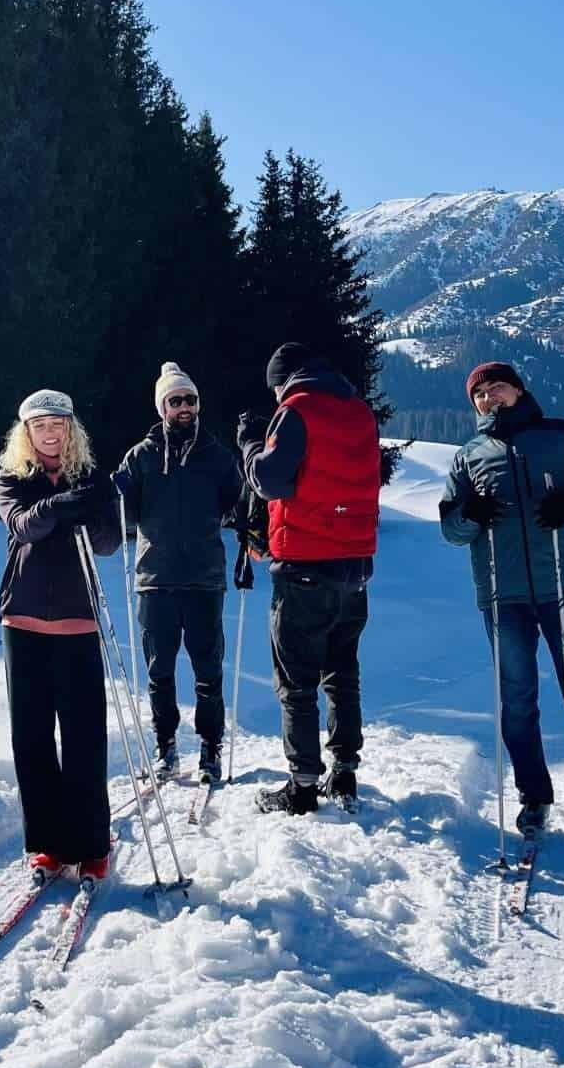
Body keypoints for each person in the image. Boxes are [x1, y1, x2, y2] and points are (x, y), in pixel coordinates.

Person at [439, 360, 564, 841]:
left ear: (519, 390)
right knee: (517, 701)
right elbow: (451, 530)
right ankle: (534, 796)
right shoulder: (468, 457)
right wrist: (470, 514)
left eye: (497, 388)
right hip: (503, 596)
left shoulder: (563, 437)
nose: (489, 398)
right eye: (480, 394)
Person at [237, 342, 381, 815]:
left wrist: (250, 444)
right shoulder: (359, 411)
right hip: (355, 564)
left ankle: (301, 786)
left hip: (305, 562)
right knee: (343, 671)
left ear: (283, 380)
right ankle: (345, 772)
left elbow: (270, 480)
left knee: (297, 680)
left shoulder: (296, 409)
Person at [0, 388, 121, 880]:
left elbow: (108, 543)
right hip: (23, 620)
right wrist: (65, 504)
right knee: (31, 737)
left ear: (71, 430)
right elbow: (23, 526)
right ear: (26, 432)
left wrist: (96, 506)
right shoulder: (12, 478)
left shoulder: (91, 478)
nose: (49, 433)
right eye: (40, 426)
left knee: (84, 734)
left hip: (77, 619)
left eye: (58, 425)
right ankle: (48, 843)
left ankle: (91, 844)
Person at [115, 361, 242, 783]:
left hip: (205, 578)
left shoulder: (217, 457)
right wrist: (116, 495)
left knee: (209, 670)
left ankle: (210, 748)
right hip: (155, 578)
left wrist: (250, 526)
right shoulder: (141, 457)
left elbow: (237, 505)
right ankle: (165, 746)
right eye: (175, 401)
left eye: (190, 400)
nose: (184, 407)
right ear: (162, 408)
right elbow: (124, 516)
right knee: (159, 672)